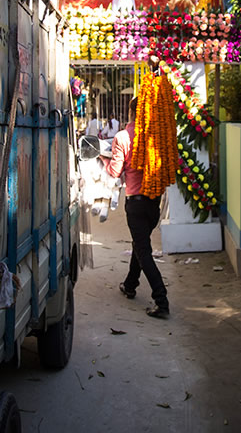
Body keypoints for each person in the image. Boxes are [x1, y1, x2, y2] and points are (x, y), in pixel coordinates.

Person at [101, 97, 169, 318]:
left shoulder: (122, 137)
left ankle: (161, 300)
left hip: (136, 203)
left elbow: (115, 172)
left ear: (131, 112)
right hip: (154, 203)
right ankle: (130, 285)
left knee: (143, 251)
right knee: (140, 244)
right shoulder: (157, 136)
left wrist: (104, 160)